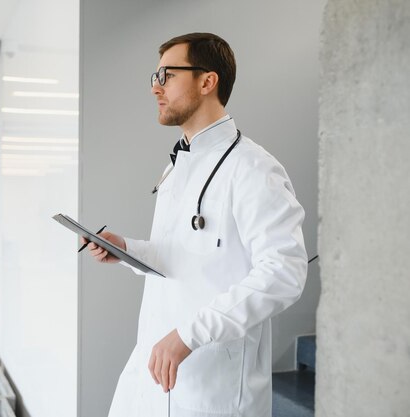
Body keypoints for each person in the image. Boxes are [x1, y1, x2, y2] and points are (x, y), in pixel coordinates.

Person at [84, 33, 307, 417]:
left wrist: (190, 334)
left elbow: (285, 271)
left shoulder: (252, 168)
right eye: (154, 77)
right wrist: (127, 249)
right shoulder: (177, 165)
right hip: (154, 367)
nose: (155, 88)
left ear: (208, 81)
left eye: (167, 75)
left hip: (212, 385)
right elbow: (185, 256)